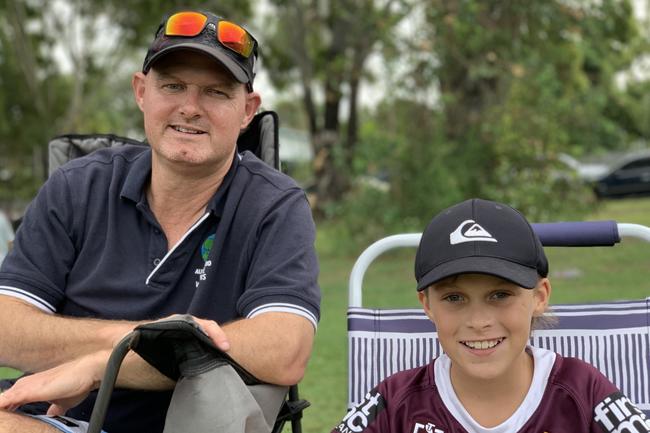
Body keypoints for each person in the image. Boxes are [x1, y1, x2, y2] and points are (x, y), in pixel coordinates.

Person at [0, 9, 320, 433]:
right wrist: (159, 339)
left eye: (216, 92)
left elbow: (284, 348)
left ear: (248, 110)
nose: (189, 108)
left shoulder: (274, 205)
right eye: (173, 86)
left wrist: (101, 366)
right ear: (141, 92)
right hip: (53, 421)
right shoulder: (77, 187)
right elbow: (7, 328)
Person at [331, 198, 650, 433]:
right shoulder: (395, 402)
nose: (479, 321)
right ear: (427, 305)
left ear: (539, 297)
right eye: (454, 298)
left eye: (500, 295)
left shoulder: (582, 392)